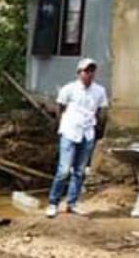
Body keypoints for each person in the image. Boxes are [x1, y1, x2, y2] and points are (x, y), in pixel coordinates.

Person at [47, 57, 109, 218]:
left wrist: (99, 127)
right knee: (64, 170)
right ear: (79, 72)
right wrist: (60, 124)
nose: (88, 74)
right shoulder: (69, 89)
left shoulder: (99, 91)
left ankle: (72, 203)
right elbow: (59, 106)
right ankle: (53, 203)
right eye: (85, 71)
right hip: (69, 131)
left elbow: (102, 110)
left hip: (87, 132)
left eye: (91, 71)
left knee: (80, 171)